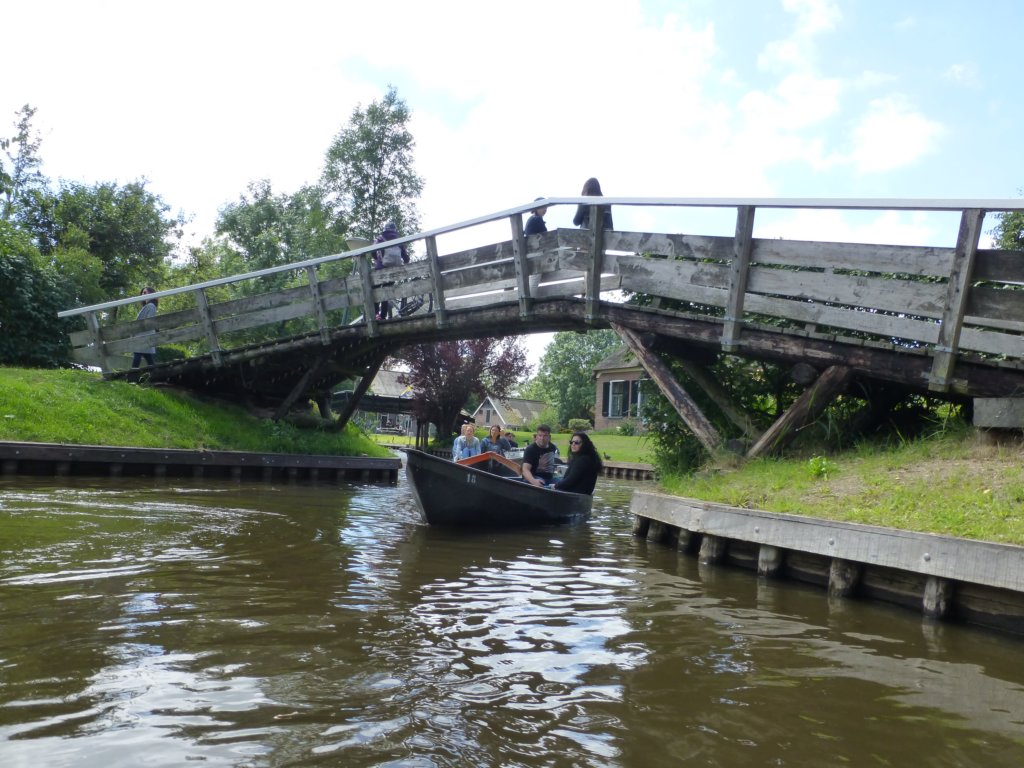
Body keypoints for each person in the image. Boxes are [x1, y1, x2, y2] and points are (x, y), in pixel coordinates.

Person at [372, 221, 409, 320]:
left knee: (375, 290)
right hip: (393, 270)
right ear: (395, 230)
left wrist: (377, 260)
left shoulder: (379, 239)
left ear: (385, 229)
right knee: (386, 292)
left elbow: (372, 252)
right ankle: (383, 316)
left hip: (381, 269)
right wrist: (406, 262)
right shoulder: (398, 240)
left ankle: (376, 314)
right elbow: (405, 257)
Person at [130, 287, 158, 368]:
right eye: (142, 293)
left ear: (151, 294)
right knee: (148, 358)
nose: (143, 294)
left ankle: (132, 375)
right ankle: (155, 373)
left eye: (145, 292)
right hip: (143, 336)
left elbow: (149, 322)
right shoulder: (148, 306)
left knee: (137, 354)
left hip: (144, 336)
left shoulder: (151, 306)